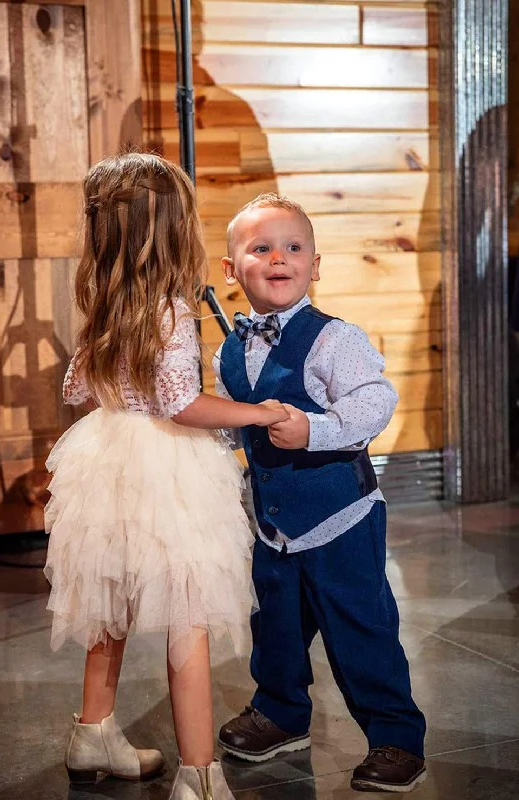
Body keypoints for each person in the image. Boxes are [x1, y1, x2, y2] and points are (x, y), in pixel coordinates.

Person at [43, 154, 288, 799]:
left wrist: (117, 378)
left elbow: (76, 387)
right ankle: (199, 777)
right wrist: (257, 412)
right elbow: (182, 404)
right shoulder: (174, 311)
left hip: (106, 459)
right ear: (174, 231)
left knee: (110, 602)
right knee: (189, 613)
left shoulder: (104, 303)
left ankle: (93, 732)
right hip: (169, 470)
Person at [213, 193, 427, 793]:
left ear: (314, 264)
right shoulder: (230, 347)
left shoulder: (336, 339)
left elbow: (374, 403)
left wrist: (315, 429)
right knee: (274, 626)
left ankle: (394, 735)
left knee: (360, 625)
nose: (279, 257)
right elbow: (238, 420)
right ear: (232, 270)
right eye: (261, 248)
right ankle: (281, 713)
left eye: (294, 247)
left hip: (340, 517)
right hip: (272, 523)